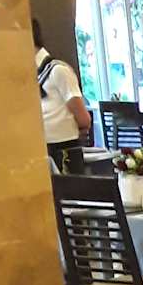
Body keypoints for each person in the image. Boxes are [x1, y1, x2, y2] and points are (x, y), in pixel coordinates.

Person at [34, 17, 91, 172]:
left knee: (70, 187)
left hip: (65, 148)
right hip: (41, 147)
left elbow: (84, 119)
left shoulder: (58, 70)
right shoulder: (29, 73)